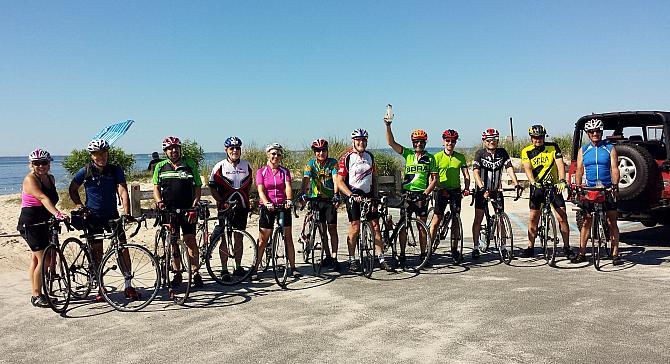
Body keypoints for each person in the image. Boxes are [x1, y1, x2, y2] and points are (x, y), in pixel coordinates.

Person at [69, 139, 139, 300]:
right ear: (92, 156)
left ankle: (128, 285)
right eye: (97, 154)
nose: (102, 157)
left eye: (104, 153)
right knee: (97, 251)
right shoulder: (85, 171)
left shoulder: (115, 170)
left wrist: (126, 212)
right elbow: (72, 189)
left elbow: (122, 191)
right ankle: (100, 286)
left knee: (122, 247)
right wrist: (79, 205)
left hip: (112, 216)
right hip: (93, 217)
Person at [17, 149, 67, 307]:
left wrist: (54, 216)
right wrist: (58, 214)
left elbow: (50, 198)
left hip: (45, 221)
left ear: (49, 163)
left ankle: (37, 290)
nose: (41, 166)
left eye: (44, 162)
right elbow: (42, 197)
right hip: (31, 223)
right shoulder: (30, 179)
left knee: (37, 259)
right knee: (44, 260)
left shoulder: (50, 178)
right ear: (31, 165)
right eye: (37, 163)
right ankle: (36, 295)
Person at [152, 136, 204, 288]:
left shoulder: (189, 164)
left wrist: (196, 202)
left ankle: (195, 273)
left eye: (176, 148)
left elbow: (198, 185)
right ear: (165, 151)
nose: (174, 151)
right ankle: (178, 272)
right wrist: (159, 201)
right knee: (173, 242)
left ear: (180, 149)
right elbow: (156, 187)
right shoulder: (160, 166)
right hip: (169, 210)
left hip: (188, 209)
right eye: (170, 148)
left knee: (190, 241)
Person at [336, 128, 391, 272]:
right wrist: (350, 195)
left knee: (375, 225)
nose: (361, 142)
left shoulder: (369, 156)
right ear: (353, 141)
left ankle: (381, 258)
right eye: (358, 140)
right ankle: (352, 258)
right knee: (355, 226)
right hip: (353, 194)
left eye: (364, 140)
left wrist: (375, 196)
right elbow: (340, 181)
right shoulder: (346, 157)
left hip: (368, 195)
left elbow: (374, 177)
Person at [385, 118, 437, 266]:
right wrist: (388, 126)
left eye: (421, 141)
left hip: (421, 196)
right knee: (403, 225)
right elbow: (391, 143)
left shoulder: (430, 158)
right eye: (416, 141)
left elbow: (434, 180)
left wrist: (426, 193)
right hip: (407, 195)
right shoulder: (407, 154)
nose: (419, 144)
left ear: (425, 143)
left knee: (422, 226)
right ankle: (402, 254)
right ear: (413, 143)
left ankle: (423, 254)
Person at [572, 118, 621, 265]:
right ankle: (582, 254)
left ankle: (615, 254)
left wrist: (615, 185)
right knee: (586, 221)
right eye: (592, 131)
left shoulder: (609, 148)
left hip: (606, 188)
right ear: (588, 133)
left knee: (612, 221)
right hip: (590, 188)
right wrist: (578, 187)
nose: (595, 134)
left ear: (601, 132)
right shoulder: (584, 150)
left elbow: (614, 168)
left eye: (598, 131)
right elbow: (579, 169)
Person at [520, 124, 573, 259]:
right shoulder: (526, 151)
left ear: (544, 137)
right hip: (537, 187)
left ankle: (567, 247)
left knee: (562, 217)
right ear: (531, 138)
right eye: (535, 137)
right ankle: (530, 247)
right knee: (533, 218)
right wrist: (532, 182)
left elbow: (560, 164)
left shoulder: (553, 147)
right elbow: (527, 168)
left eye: (541, 137)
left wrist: (562, 180)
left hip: (554, 186)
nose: (538, 140)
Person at [472, 128, 522, 260]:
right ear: (484, 141)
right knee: (478, 218)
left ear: (497, 140)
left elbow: (509, 168)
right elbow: (476, 172)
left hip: (496, 191)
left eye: (494, 140)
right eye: (488, 140)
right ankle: (476, 247)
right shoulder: (480, 153)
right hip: (482, 191)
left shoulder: (502, 153)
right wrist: (482, 187)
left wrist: (516, 183)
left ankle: (504, 247)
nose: (491, 142)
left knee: (500, 218)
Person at [208, 136, 254, 281]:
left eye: (237, 148)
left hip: (242, 206)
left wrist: (248, 199)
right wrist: (220, 201)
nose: (235, 151)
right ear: (226, 150)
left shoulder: (247, 165)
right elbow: (212, 187)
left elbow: (249, 184)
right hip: (225, 207)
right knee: (224, 238)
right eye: (232, 148)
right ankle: (224, 269)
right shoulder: (219, 166)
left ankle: (238, 266)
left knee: (239, 237)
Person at [253, 143, 301, 278]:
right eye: (273, 154)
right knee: (263, 239)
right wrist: (267, 202)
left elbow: (288, 187)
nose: (276, 156)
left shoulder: (284, 171)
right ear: (268, 155)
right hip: (267, 206)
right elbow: (261, 190)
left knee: (288, 237)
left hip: (282, 205)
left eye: (278, 154)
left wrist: (289, 199)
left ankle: (293, 267)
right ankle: (255, 268)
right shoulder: (261, 171)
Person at [299, 138, 341, 271]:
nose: (321, 153)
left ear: (327, 151)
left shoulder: (333, 163)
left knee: (332, 229)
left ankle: (334, 257)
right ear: (314, 152)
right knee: (322, 231)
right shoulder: (310, 164)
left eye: (323, 150)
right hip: (316, 200)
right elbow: (306, 179)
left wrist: (336, 194)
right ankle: (327, 256)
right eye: (318, 150)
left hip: (329, 200)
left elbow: (336, 179)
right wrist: (302, 193)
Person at [429, 129, 471, 259]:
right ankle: (429, 248)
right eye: (447, 140)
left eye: (453, 141)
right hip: (441, 190)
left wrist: (467, 188)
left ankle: (454, 249)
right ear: (443, 141)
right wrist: (432, 189)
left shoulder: (460, 157)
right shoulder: (436, 157)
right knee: (436, 220)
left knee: (456, 220)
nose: (450, 143)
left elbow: (466, 175)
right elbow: (432, 177)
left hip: (455, 191)